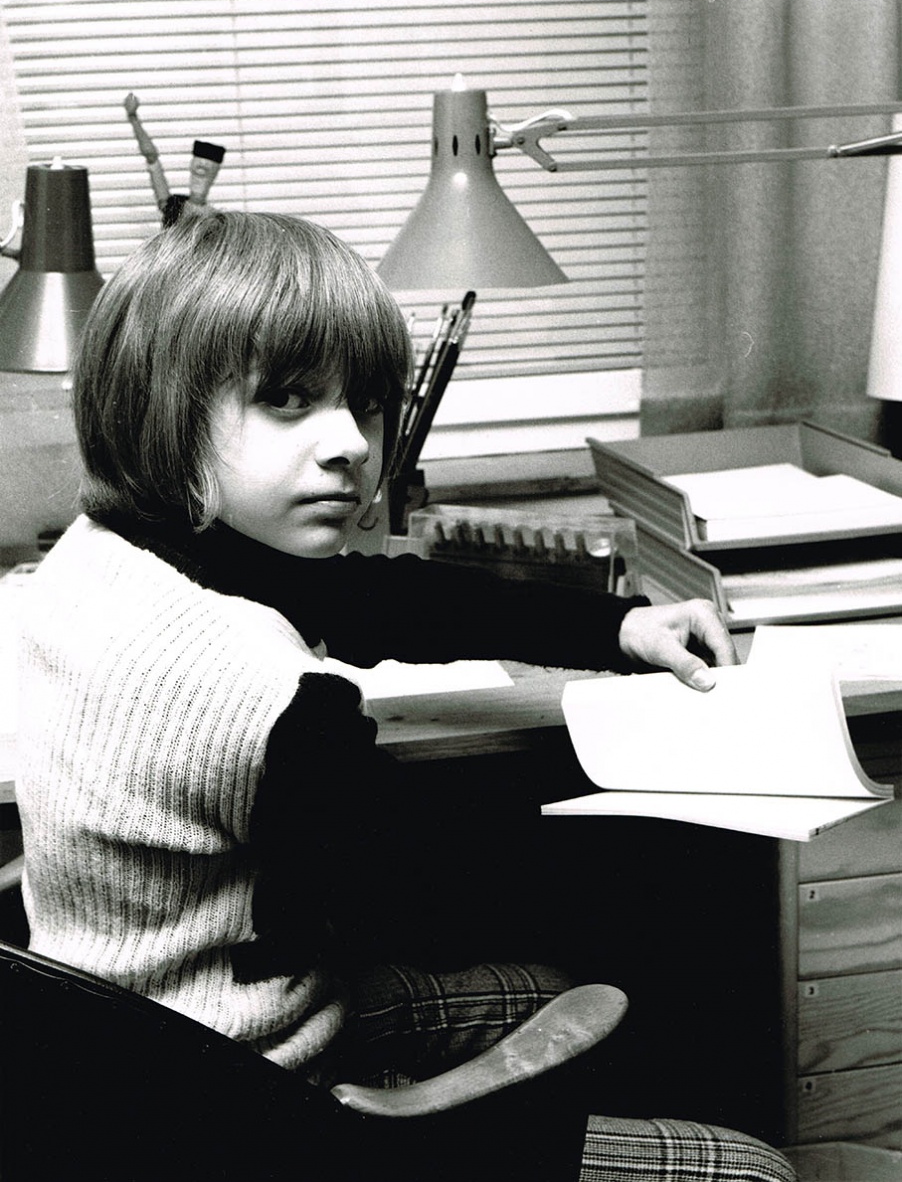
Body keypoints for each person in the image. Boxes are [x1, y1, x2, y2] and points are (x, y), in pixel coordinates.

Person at [15, 211, 793, 1181]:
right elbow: (434, 902)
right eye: (288, 400)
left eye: (368, 403)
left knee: (544, 987)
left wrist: (616, 628)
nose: (350, 442)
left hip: (114, 1053)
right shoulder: (272, 700)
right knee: (752, 1167)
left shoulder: (92, 562)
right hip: (253, 1110)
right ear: (163, 411)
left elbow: (374, 599)